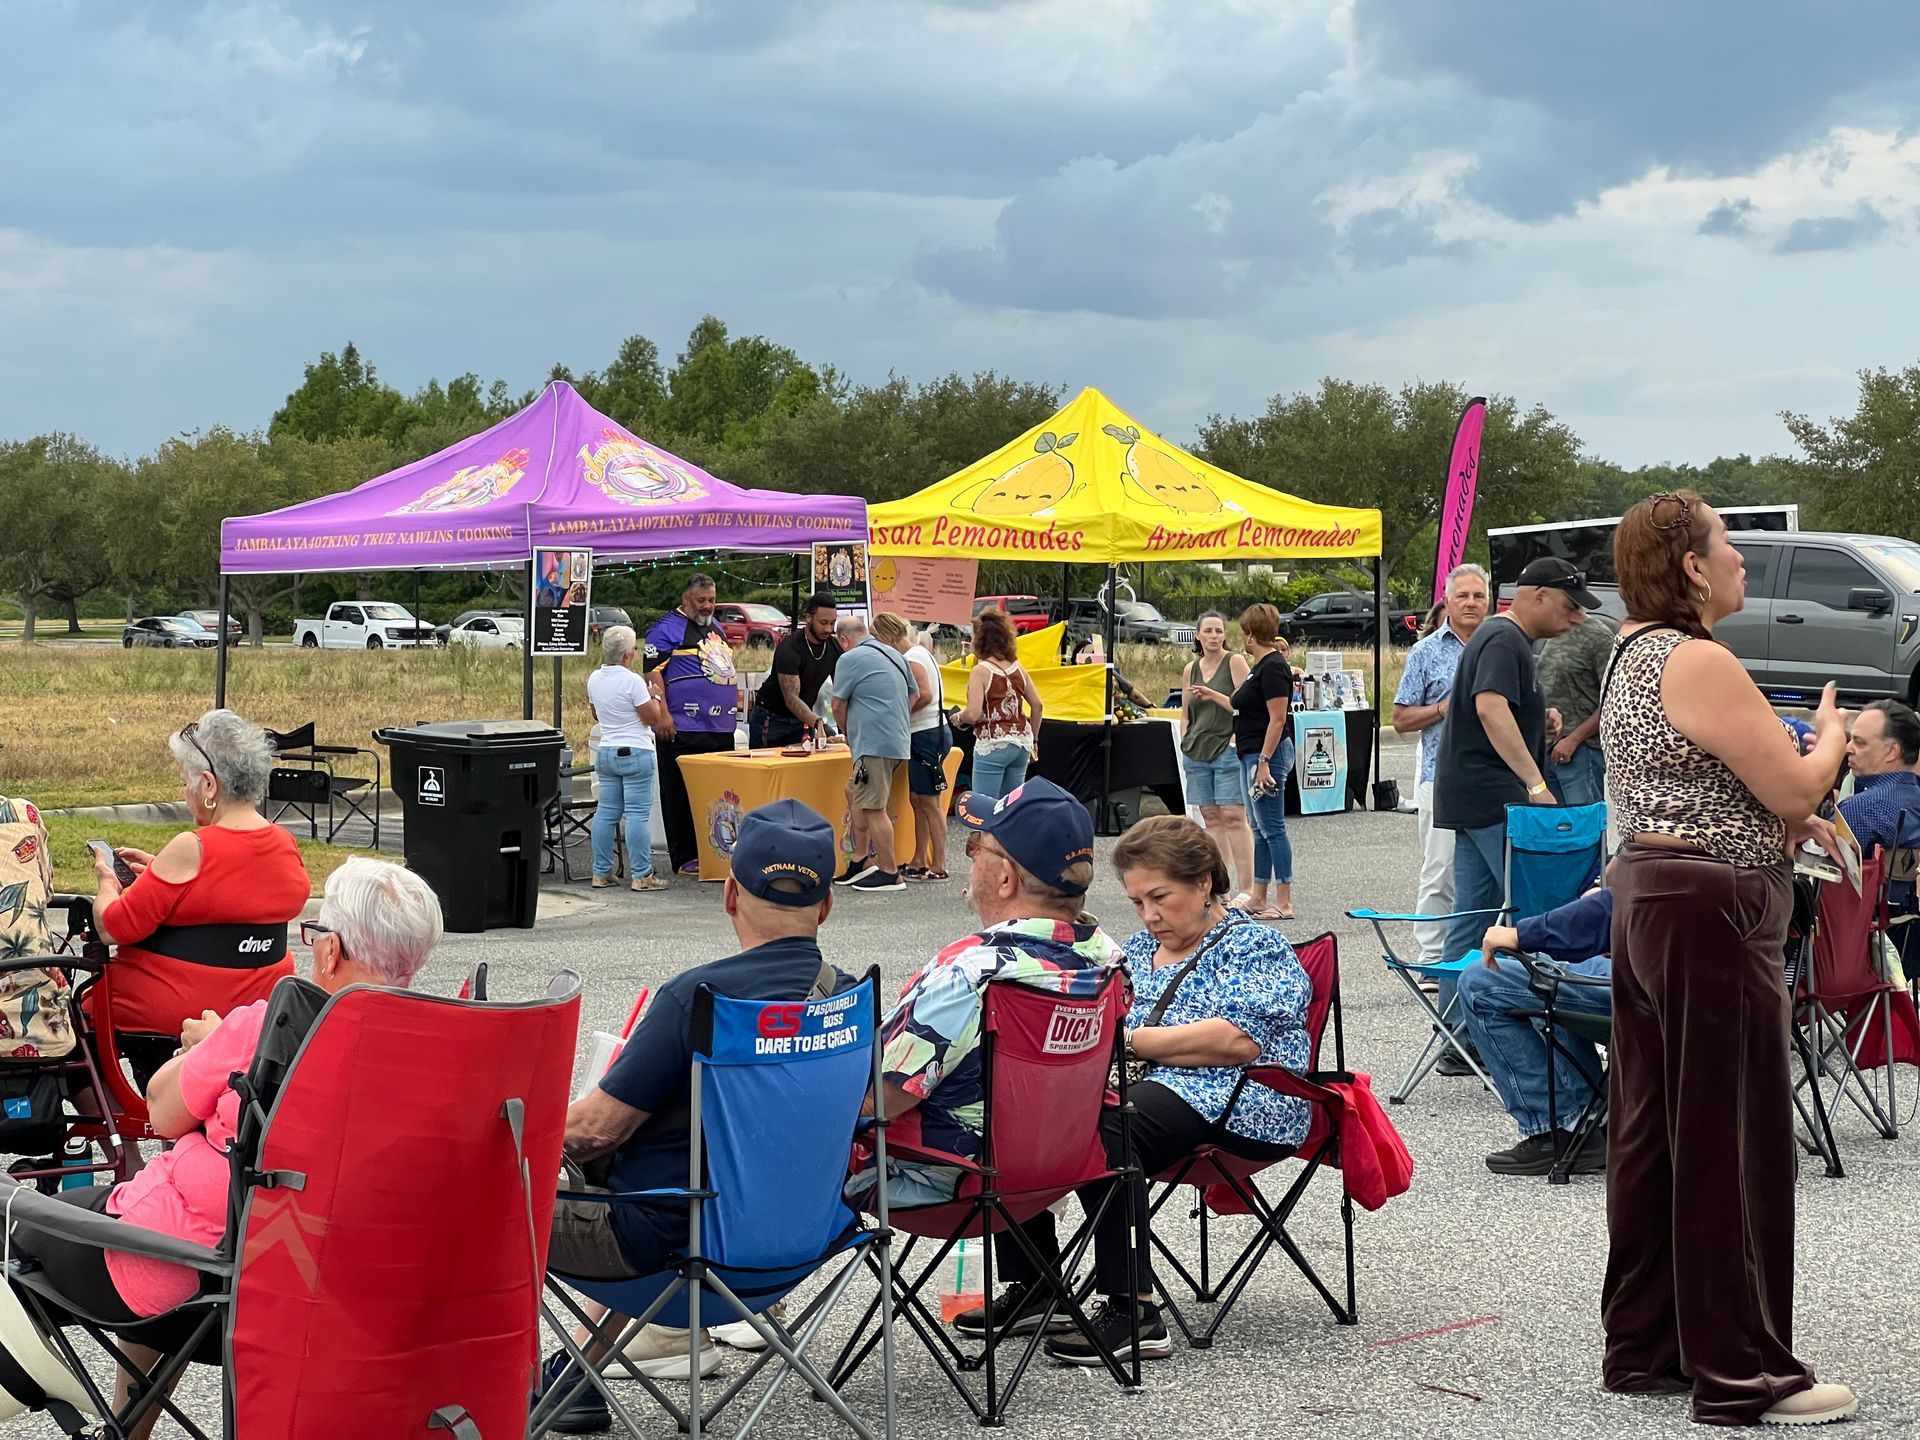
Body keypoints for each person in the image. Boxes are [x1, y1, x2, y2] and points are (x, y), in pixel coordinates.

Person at [9, 858, 442, 1440]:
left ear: (331, 951)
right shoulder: (436, 1052)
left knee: (24, 1228)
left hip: (197, 1286)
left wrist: (206, 1049)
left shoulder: (268, 1031)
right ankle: (126, 1429)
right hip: (324, 1295)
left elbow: (160, 1112)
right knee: (165, 1216)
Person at [1599, 490, 1856, 1427]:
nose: (1745, 562)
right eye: (1729, 549)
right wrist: (1829, 738)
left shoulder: (1632, 651)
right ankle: (1743, 1370)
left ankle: (1648, 1345)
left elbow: (1705, 785)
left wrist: (1798, 815)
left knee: (1658, 1129)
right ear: (1694, 569)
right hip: (1707, 910)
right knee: (1730, 1140)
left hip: (1656, 899)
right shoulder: (1697, 658)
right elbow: (1788, 787)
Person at [538, 802, 847, 1427]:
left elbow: (596, 1129)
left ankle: (490, 1375)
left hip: (668, 1254)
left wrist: (514, 1130)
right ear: (826, 904)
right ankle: (578, 1378)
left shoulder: (697, 999)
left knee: (496, 1190)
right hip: (797, 1247)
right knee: (668, 1173)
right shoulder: (845, 998)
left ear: (730, 893)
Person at [964, 815, 1312, 1369]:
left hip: (1248, 1097)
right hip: (1149, 1086)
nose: (1149, 916)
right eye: (1136, 903)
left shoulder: (1254, 946)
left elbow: (1236, 1041)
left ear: (1203, 882)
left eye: (1160, 897)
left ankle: (1135, 1310)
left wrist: (1124, 1040)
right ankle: (1036, 1283)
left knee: (1108, 1128)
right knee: (1013, 1113)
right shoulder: (1130, 950)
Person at [852, 777, 1121, 1205]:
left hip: (946, 1179)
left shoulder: (970, 976)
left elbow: (875, 1102)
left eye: (976, 846)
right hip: (1056, 1167)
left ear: (1005, 880)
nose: (971, 857)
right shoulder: (1108, 961)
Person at [89, 709, 311, 1086]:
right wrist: (160, 873)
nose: (186, 792)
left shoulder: (193, 846)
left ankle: (120, 1133)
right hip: (258, 1005)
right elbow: (231, 896)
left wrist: (108, 884)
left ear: (209, 785)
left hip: (175, 1006)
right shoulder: (283, 842)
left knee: (79, 1010)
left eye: (187, 782)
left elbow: (115, 928)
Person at [1430, 558, 1594, 1066]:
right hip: (1495, 796)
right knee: (1536, 907)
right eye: (1570, 607)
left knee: (1471, 915)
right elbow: (1489, 706)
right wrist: (1536, 781)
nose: (1577, 619)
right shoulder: (1505, 639)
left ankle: (1458, 1037)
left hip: (1469, 796)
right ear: (1538, 595)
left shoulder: (1502, 638)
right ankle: (1547, 1032)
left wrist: (1535, 724)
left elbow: (1497, 709)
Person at [1458, 890, 1612, 1176]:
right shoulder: (1714, 853)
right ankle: (1592, 1119)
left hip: (1643, 983)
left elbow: (1613, 905)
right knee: (1544, 964)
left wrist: (1522, 934)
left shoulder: (1676, 854)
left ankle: (1561, 1124)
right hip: (1688, 984)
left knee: (1479, 983)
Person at [1392, 564, 1490, 967]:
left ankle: (1487, 952)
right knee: (1441, 869)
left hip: (1495, 780)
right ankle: (1433, 956)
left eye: (1478, 596)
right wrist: (1441, 709)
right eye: (1462, 596)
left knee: (1492, 871)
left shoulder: (1501, 644)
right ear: (1447, 601)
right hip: (1442, 778)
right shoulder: (1426, 651)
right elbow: (1399, 720)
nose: (1471, 603)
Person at [645, 574, 739, 877]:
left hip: (719, 727)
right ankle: (685, 855)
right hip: (683, 726)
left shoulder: (717, 628)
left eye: (712, 600)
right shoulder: (664, 630)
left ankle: (715, 849)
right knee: (679, 793)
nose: (708, 606)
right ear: (686, 599)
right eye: (702, 600)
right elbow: (652, 676)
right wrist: (663, 715)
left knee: (717, 792)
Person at [831, 612, 918, 894]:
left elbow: (837, 705)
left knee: (873, 807)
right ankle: (860, 860)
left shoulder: (849, 659)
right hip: (897, 741)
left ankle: (890, 872)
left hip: (872, 744)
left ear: (843, 640)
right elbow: (914, 695)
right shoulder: (895, 655)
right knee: (854, 792)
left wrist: (848, 733)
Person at [586, 624, 668, 892]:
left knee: (606, 811)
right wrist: (655, 695)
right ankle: (642, 874)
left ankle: (601, 871)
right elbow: (651, 718)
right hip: (635, 750)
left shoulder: (594, 678)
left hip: (607, 749)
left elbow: (597, 714)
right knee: (636, 814)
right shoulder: (632, 681)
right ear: (627, 656)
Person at [1179, 611, 1254, 905]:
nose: (1213, 636)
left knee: (1233, 815)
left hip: (1226, 745)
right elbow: (1185, 711)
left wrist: (1213, 696)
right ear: (1197, 635)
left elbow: (1244, 704)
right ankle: (1220, 885)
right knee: (1210, 817)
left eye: (1218, 631)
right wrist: (1186, 736)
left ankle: (1247, 888)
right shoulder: (1190, 669)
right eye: (1208, 631)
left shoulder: (1234, 662)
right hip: (1197, 748)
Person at [1232, 603, 1295, 921]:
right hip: (1251, 752)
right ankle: (1259, 893)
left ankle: (1283, 901)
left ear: (1250, 634)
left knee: (1272, 827)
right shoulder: (1260, 666)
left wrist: (1266, 761)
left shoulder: (1273, 667)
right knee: (1258, 828)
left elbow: (1278, 717)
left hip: (1265, 754)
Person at [953, 607, 1041, 803]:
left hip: (993, 742)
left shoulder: (980, 671)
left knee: (984, 806)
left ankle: (982, 835)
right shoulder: (1018, 668)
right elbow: (1038, 705)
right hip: (1021, 743)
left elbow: (973, 714)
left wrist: (959, 718)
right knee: (1010, 806)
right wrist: (1034, 739)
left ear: (980, 640)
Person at [1537, 607, 1616, 807]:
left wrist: (1573, 740)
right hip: (1549, 751)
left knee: (1584, 830)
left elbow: (1612, 700)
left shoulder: (1598, 636)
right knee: (1555, 830)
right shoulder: (1555, 630)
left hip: (1581, 753)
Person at [892, 619, 952, 883]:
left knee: (929, 802)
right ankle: (919, 859)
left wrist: (900, 714)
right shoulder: (919, 653)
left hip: (926, 734)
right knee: (918, 800)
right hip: (927, 733)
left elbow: (924, 694)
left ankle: (939, 863)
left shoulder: (912, 657)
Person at [751, 592, 840, 749]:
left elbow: (842, 688)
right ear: (808, 618)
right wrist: (820, 724)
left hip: (803, 719)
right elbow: (791, 698)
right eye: (823, 622)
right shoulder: (790, 649)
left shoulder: (833, 647)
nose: (828, 629)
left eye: (833, 623)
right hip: (772, 716)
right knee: (768, 765)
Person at [1838, 699, 1920, 857]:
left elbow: (1813, 856)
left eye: (1859, 742)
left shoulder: (1862, 809)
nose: (1847, 748)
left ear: (1891, 751)